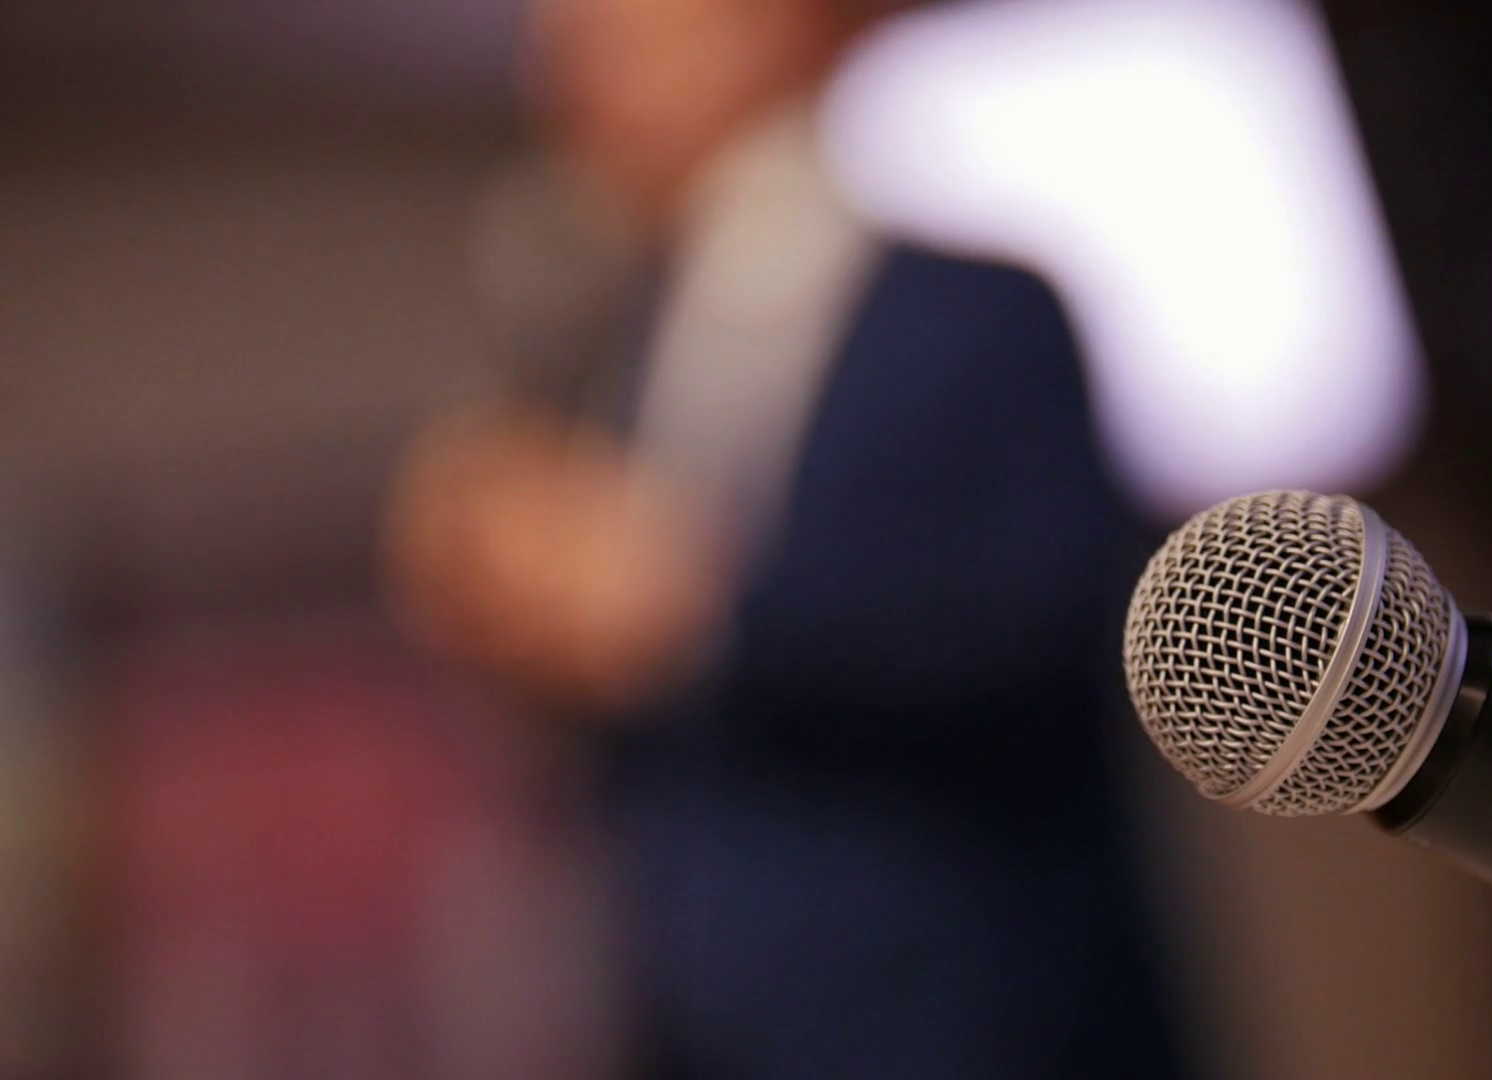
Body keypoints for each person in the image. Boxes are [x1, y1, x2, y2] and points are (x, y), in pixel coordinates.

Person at [386, 0, 1195, 1074]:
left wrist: (700, 605)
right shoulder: (622, 359)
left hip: (987, 1028)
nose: (569, 61)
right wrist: (519, 622)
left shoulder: (985, 316)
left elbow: (1058, 633)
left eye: (619, 25)